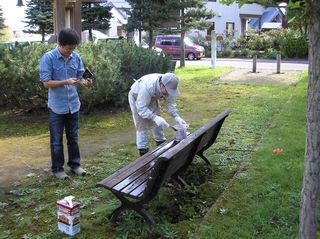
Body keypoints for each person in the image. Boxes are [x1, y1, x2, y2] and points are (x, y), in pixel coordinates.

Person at [39, 28, 92, 179]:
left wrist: (85, 82)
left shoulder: (76, 57)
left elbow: (80, 76)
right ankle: (58, 169)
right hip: (57, 106)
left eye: (73, 48)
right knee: (56, 141)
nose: (71, 52)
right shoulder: (48, 58)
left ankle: (75, 165)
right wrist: (65, 82)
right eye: (68, 49)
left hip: (73, 105)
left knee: (73, 138)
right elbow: (46, 83)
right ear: (60, 45)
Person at [128, 72, 188, 156]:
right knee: (141, 126)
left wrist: (177, 117)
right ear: (161, 85)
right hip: (137, 95)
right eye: (167, 91)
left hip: (152, 95)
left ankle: (161, 147)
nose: (168, 93)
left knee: (157, 123)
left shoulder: (168, 85)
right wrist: (154, 117)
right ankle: (143, 153)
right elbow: (141, 109)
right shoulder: (148, 87)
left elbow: (170, 104)